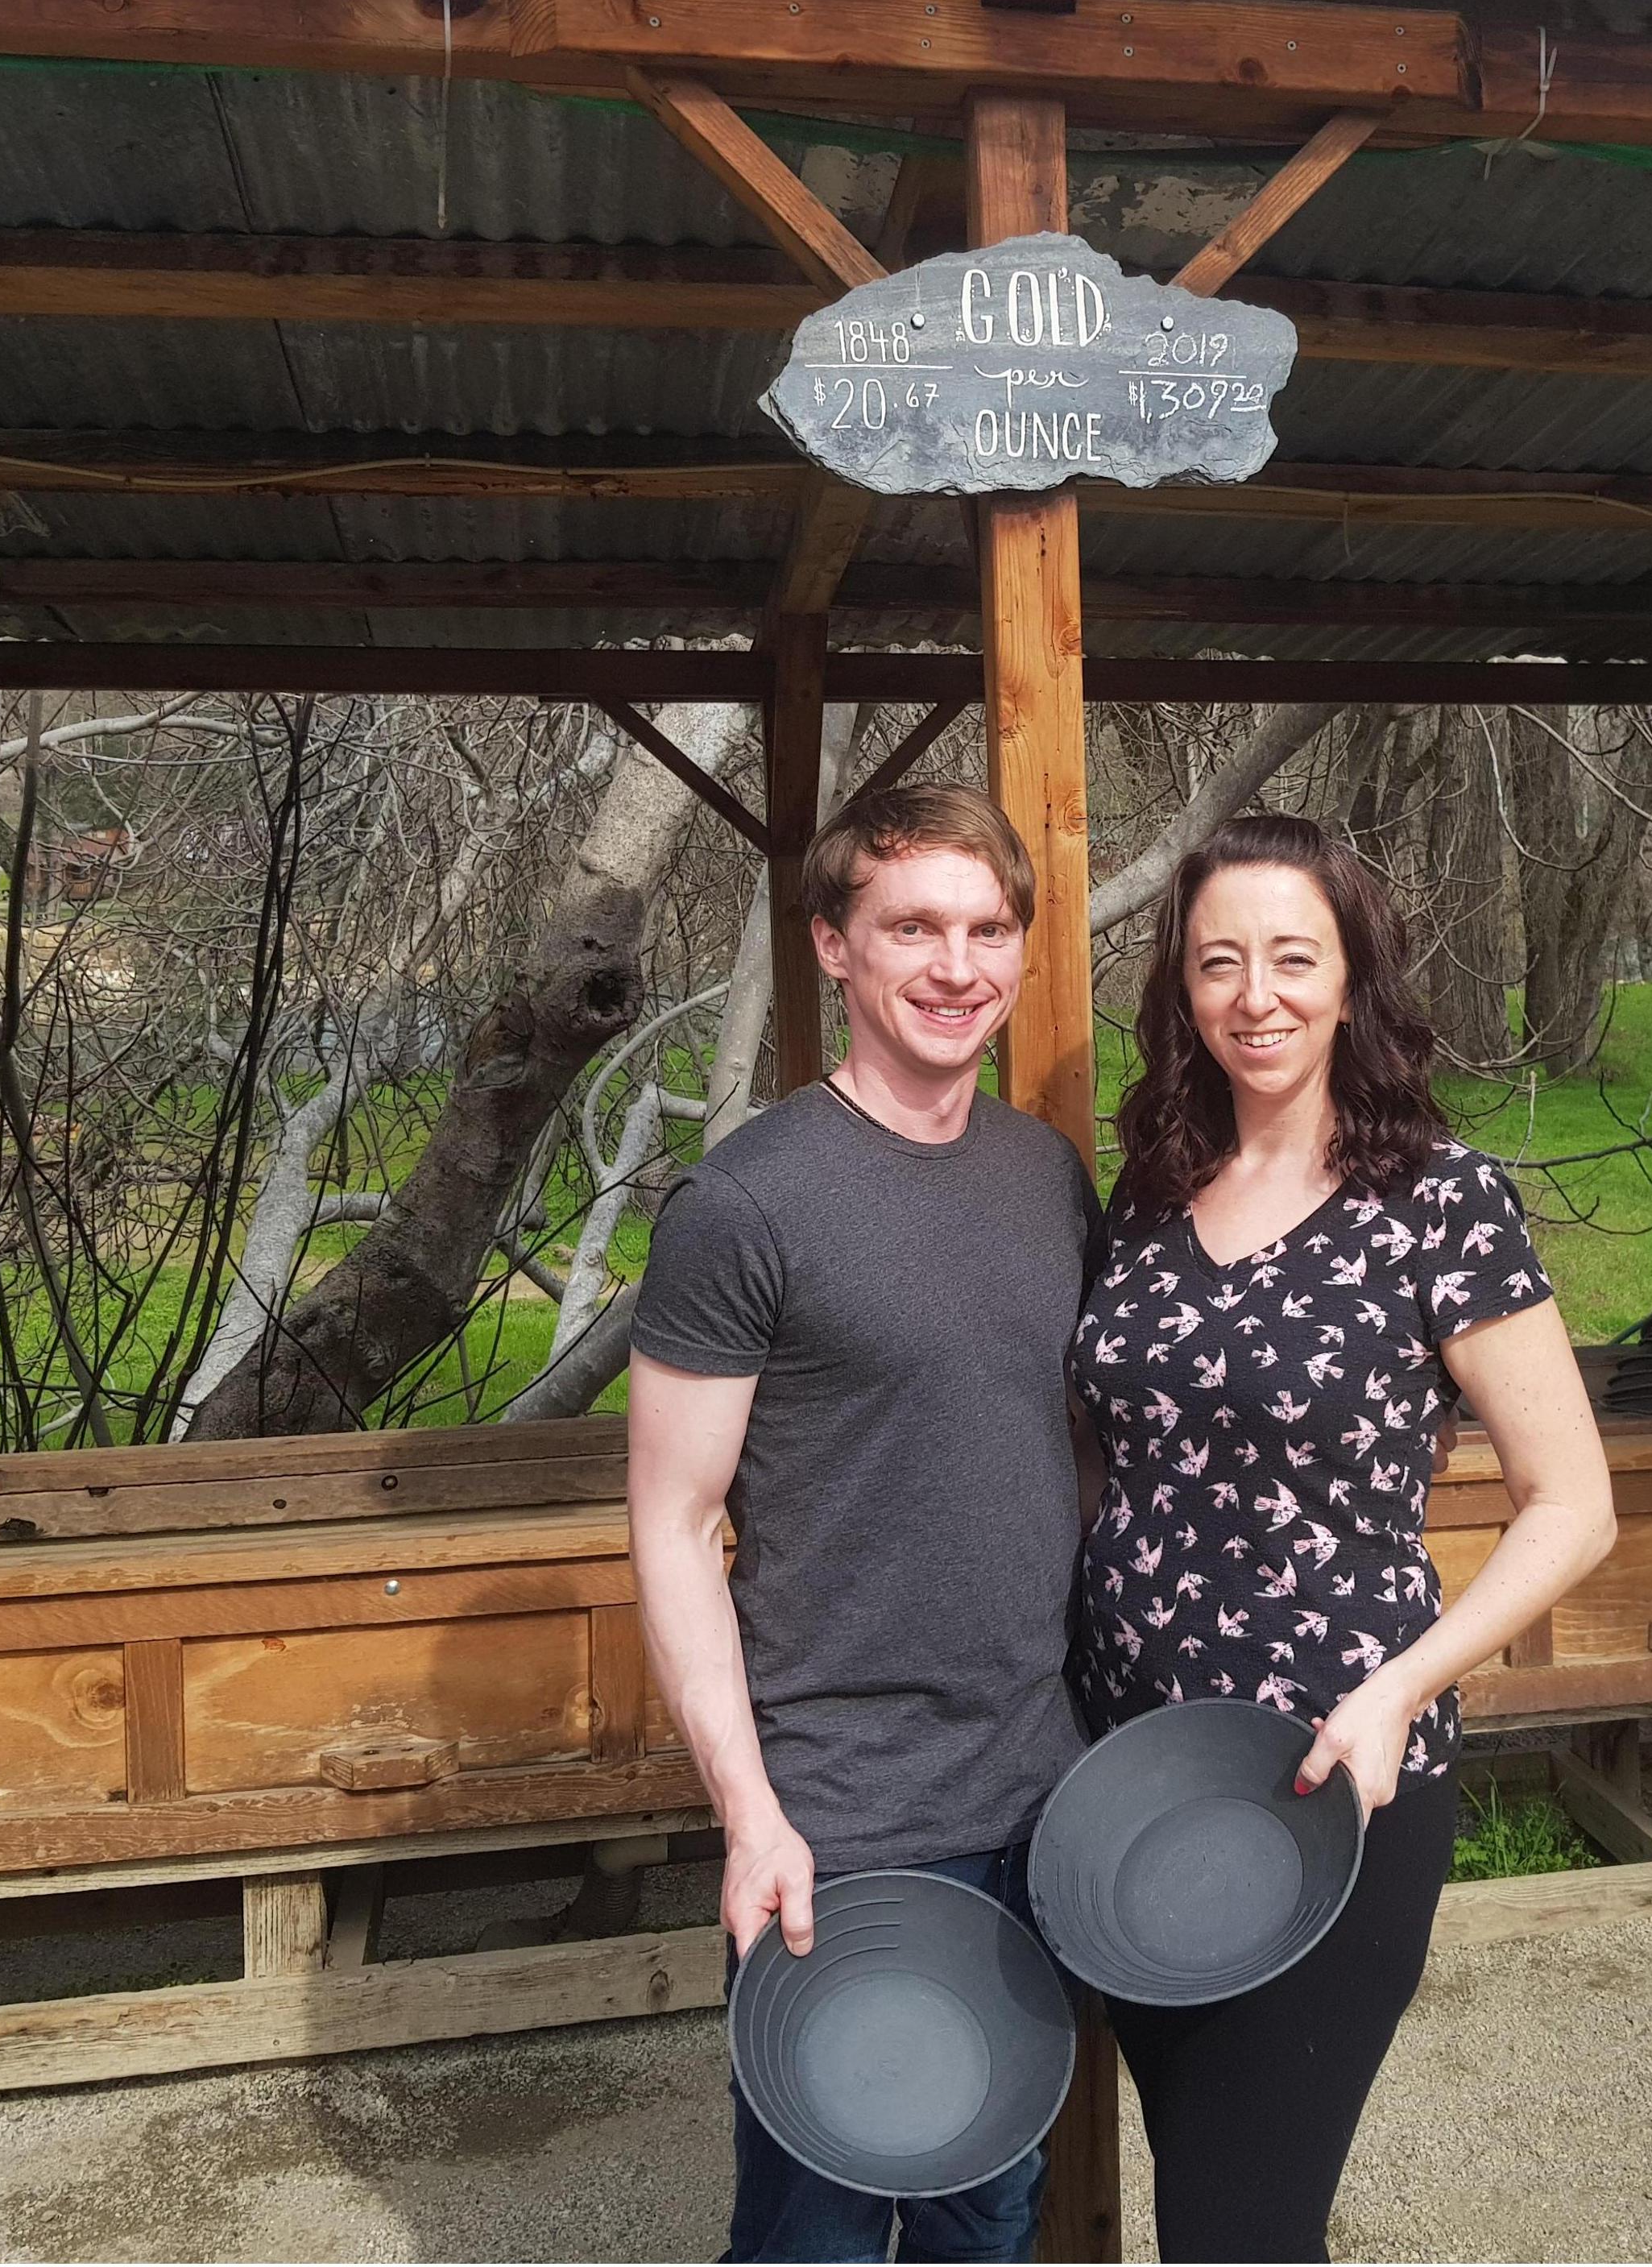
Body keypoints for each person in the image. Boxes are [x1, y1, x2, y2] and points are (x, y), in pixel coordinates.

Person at [1072, 813, 1617, 2265]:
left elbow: (1573, 1505)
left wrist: (1398, 1692)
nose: (1257, 994)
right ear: (1182, 993)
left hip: (1329, 1784)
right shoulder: (1145, 1197)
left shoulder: (1438, 1204)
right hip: (1130, 1780)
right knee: (1232, 2207)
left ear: (1352, 978)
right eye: (1219, 963)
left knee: (1229, 2231)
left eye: (1292, 957)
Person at [627, 783, 1099, 2266]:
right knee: (815, 2230)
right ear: (835, 946)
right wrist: (751, 1815)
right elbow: (671, 1522)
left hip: (1039, 1795)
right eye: (913, 928)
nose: (957, 966)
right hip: (844, 1823)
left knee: (989, 2210)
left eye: (987, 928)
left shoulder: (1045, 1175)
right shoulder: (747, 1205)